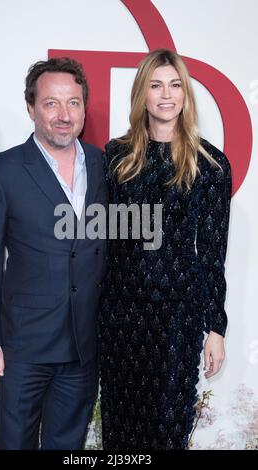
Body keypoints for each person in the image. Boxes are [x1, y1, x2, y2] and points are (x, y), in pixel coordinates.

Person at [0, 57, 107, 450]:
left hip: (83, 346)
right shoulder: (4, 170)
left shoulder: (104, 165)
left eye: (74, 103)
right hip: (22, 347)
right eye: (51, 103)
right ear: (31, 108)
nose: (64, 115)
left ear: (84, 107)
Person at [99, 49, 232, 450]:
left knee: (167, 429)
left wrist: (216, 328)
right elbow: (104, 239)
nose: (166, 95)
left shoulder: (210, 164)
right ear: (142, 94)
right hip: (120, 312)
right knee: (120, 431)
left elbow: (212, 254)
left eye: (175, 85)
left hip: (177, 313)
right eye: (156, 85)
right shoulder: (116, 156)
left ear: (186, 95)